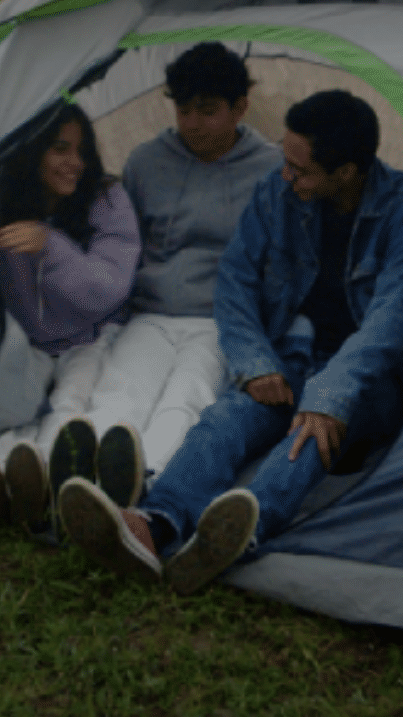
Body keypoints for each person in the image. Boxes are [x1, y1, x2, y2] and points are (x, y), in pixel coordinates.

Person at [59, 89, 403, 595]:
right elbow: (235, 283)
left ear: (346, 172)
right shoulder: (275, 193)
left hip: (371, 375)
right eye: (286, 160)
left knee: (309, 436)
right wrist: (256, 362)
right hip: (294, 354)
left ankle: (243, 531)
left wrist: (330, 395)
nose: (286, 176)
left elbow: (391, 320)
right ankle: (157, 524)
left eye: (301, 170)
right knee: (226, 418)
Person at [89, 43, 283, 500]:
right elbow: (122, 247)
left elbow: (281, 266)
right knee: (121, 391)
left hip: (221, 319)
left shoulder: (272, 171)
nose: (192, 123)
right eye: (183, 109)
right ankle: (83, 475)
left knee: (187, 396)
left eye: (208, 111)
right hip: (151, 311)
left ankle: (146, 482)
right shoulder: (145, 161)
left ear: (240, 108)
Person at [0, 104, 139, 532]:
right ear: (32, 152)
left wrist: (50, 245)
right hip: (34, 337)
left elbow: (107, 289)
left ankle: (54, 474)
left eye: (81, 151)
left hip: (94, 333)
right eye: (60, 149)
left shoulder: (107, 199)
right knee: (12, 402)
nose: (74, 162)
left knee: (70, 398)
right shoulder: (11, 206)